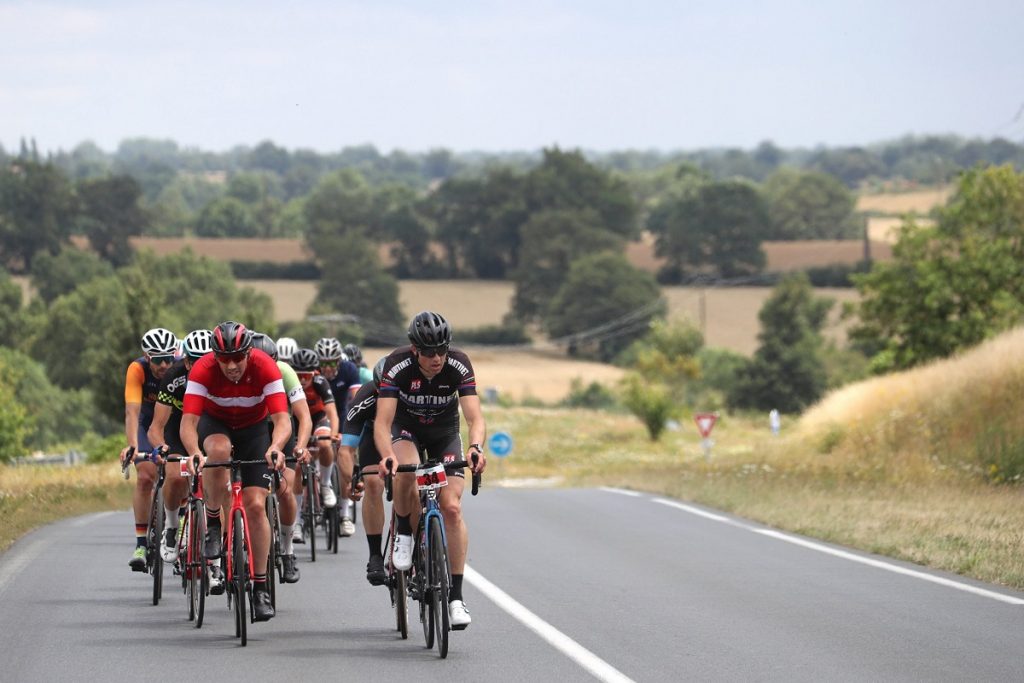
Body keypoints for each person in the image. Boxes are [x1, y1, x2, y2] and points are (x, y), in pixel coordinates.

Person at [375, 311, 486, 630]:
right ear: (415, 350)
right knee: (406, 472)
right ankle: (405, 535)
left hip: (444, 433)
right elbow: (382, 424)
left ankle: (456, 598)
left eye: (442, 350)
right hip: (406, 429)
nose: (437, 358)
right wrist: (386, 456)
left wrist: (476, 447)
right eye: (428, 352)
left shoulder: (459, 363)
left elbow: (474, 417)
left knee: (451, 507)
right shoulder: (398, 365)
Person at [180, 321, 291, 622]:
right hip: (216, 425)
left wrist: (276, 447)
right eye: (224, 359)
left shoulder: (266, 366)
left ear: (248, 353)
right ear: (215, 356)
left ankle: (260, 587)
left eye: (237, 358)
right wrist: (194, 453)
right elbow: (188, 423)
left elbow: (282, 419)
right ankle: (214, 522)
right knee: (215, 452)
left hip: (254, 431)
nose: (231, 366)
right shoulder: (202, 369)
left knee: (256, 506)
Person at [148, 329, 212, 567]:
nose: (201, 367)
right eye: (195, 361)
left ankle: (219, 557)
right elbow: (156, 427)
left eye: (208, 360)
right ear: (185, 361)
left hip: (208, 429)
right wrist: (161, 447)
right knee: (175, 476)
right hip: (177, 429)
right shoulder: (173, 377)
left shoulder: (223, 378)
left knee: (218, 484)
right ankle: (172, 527)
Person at [252, 333, 310, 583]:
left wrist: (301, 446)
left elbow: (303, 415)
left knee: (285, 489)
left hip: (280, 427)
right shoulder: (239, 373)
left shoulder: (285, 371)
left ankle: (287, 551)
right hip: (251, 430)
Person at [119, 327, 178, 571]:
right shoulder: (137, 369)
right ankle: (141, 543)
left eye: (168, 358)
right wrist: (133, 445)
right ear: (146, 356)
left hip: (173, 423)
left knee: (180, 474)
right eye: (157, 360)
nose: (164, 365)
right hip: (145, 423)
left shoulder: (180, 368)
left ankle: (182, 533)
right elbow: (132, 412)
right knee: (145, 476)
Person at [342, 357, 387, 584]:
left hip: (407, 434)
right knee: (373, 483)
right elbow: (346, 449)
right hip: (372, 436)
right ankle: (375, 555)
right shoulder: (365, 396)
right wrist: (351, 480)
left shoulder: (412, 393)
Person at [314, 337, 360, 533]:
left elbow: (356, 399)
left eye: (332, 363)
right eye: (323, 364)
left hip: (343, 414)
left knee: (344, 461)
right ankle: (316, 482)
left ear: (339, 361)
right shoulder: (313, 373)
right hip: (320, 416)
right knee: (317, 449)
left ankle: (345, 515)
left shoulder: (349, 370)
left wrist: (351, 429)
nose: (328, 368)